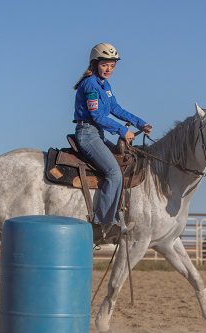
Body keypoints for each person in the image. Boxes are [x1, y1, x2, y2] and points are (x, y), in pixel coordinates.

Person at [73, 43, 152, 237]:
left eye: (112, 66)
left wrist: (140, 123)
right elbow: (97, 116)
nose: (109, 69)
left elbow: (116, 109)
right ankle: (102, 223)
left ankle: (117, 214)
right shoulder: (90, 84)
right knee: (114, 173)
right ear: (95, 63)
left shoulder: (104, 85)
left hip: (97, 134)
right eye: (105, 65)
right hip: (87, 133)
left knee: (125, 162)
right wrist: (121, 131)